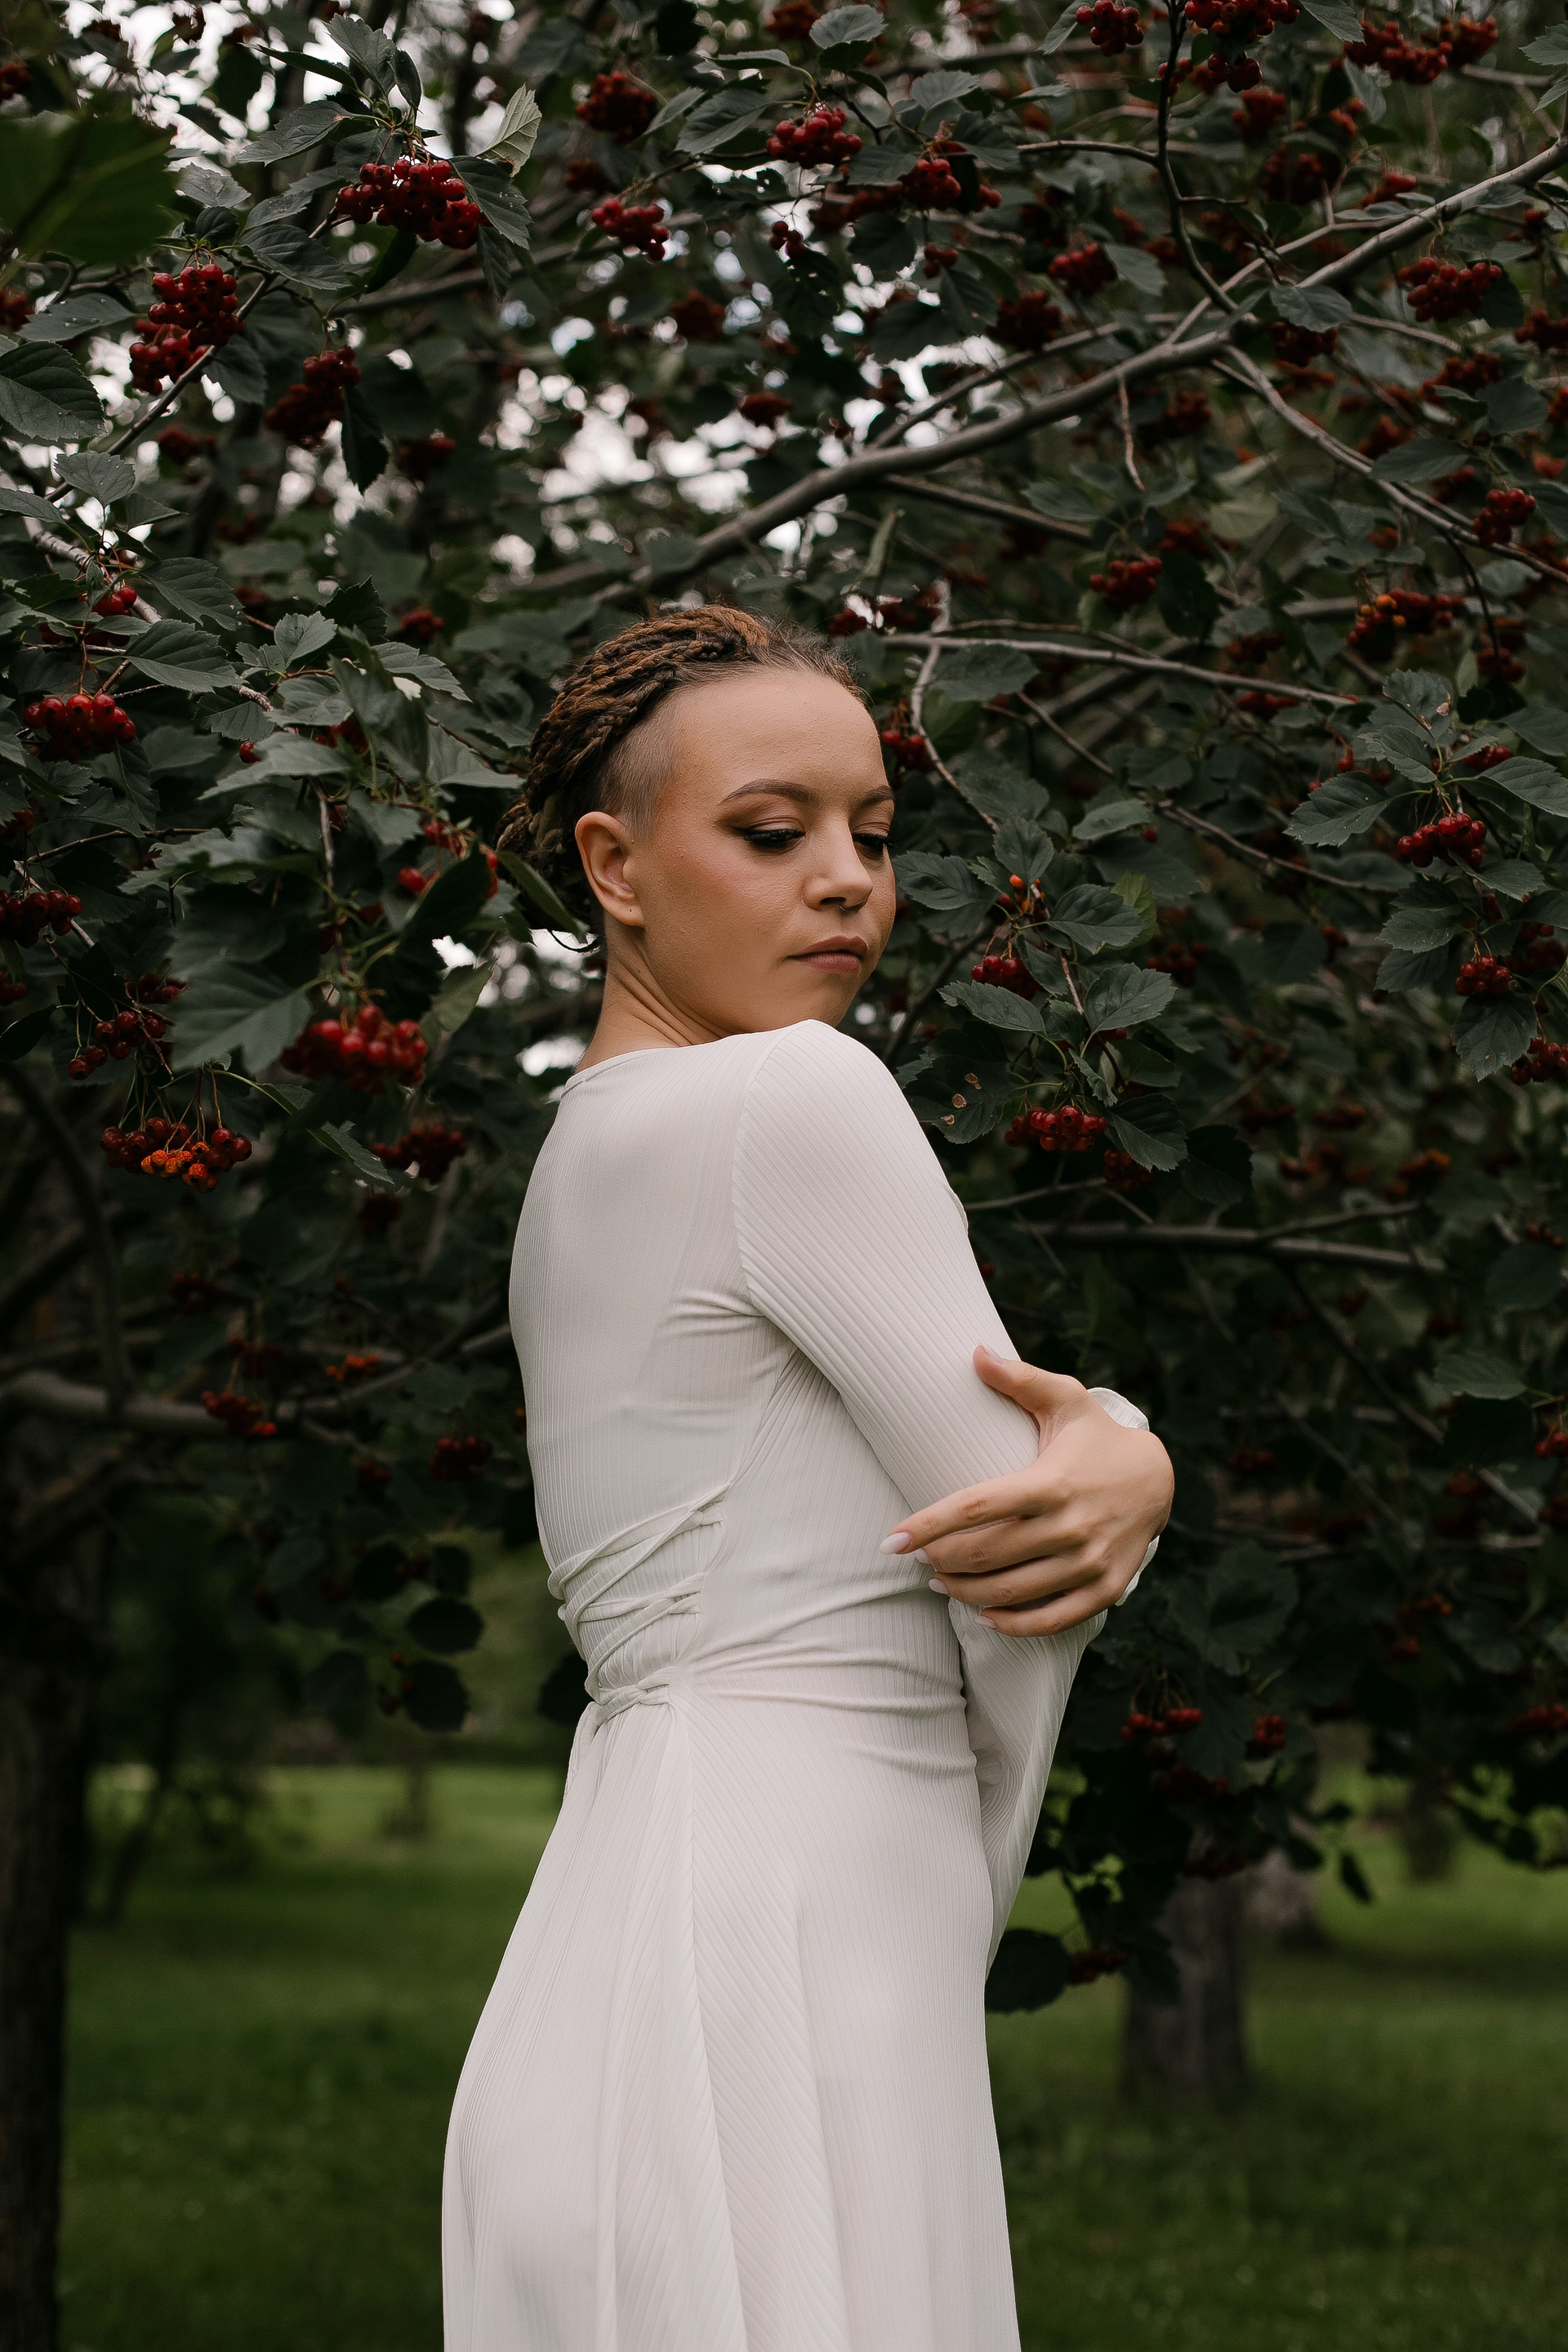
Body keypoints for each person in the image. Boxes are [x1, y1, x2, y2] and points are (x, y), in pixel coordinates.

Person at [443, 607, 1172, 2352]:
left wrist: (1103, 1457)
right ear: (614, 867)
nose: (849, 878)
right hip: (782, 1944)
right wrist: (1127, 1450)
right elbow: (1022, 1553)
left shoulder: (579, 1157)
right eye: (774, 832)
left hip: (625, 1919)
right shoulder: (796, 1097)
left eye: (875, 831)